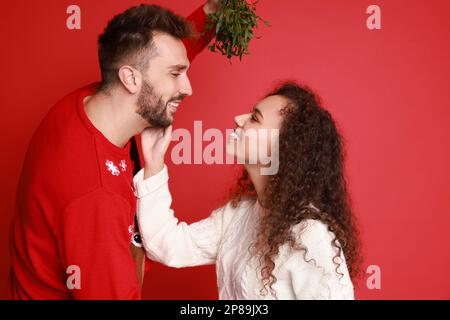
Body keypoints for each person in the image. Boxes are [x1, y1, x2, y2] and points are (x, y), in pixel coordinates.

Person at [8, 1, 220, 300]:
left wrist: (219, 9)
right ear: (130, 78)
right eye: (175, 74)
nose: (188, 88)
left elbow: (168, 52)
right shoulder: (95, 196)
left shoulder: (95, 101)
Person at [134, 82, 362, 299]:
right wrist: (154, 161)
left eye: (255, 118)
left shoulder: (310, 234)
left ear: (283, 146)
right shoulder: (238, 215)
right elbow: (168, 245)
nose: (238, 119)